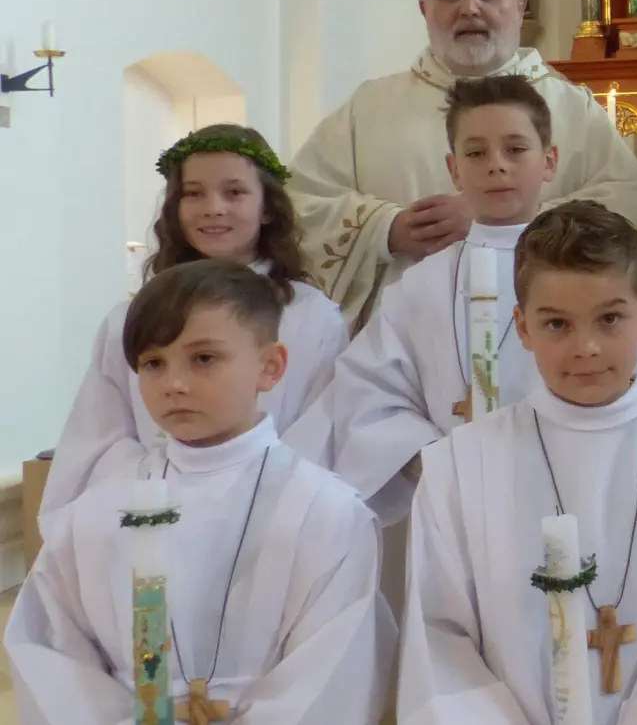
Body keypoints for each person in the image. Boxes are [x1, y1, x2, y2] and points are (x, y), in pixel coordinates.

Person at [399, 201, 637, 725]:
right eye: (557, 324)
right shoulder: (459, 468)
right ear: (522, 327)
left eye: (610, 319)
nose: (586, 347)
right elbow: (439, 643)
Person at [7, 260, 394, 724]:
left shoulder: (326, 513)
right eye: (153, 363)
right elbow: (52, 653)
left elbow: (334, 674)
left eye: (204, 359)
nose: (175, 385)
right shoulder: (96, 513)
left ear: (270, 367)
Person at [289, 0, 637, 331]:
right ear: (425, 9)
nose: (469, 8)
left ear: (520, 5)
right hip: (406, 335)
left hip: (547, 332)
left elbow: (626, 200)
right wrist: (384, 229)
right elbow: (300, 200)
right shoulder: (369, 107)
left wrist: (507, 222)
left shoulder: (572, 108)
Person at [40, 124, 346, 533]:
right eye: (193, 193)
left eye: (234, 192)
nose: (212, 208)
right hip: (154, 516)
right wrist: (170, 489)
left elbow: (322, 433)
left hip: (267, 522)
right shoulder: (130, 317)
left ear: (268, 207)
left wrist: (244, 498)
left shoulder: (312, 316)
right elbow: (99, 438)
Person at [289, 75, 559, 528]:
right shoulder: (420, 287)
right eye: (476, 153)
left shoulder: (580, 279)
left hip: (557, 489)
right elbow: (367, 389)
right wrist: (426, 457)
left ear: (549, 161)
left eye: (515, 149)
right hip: (448, 503)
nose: (496, 166)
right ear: (454, 170)